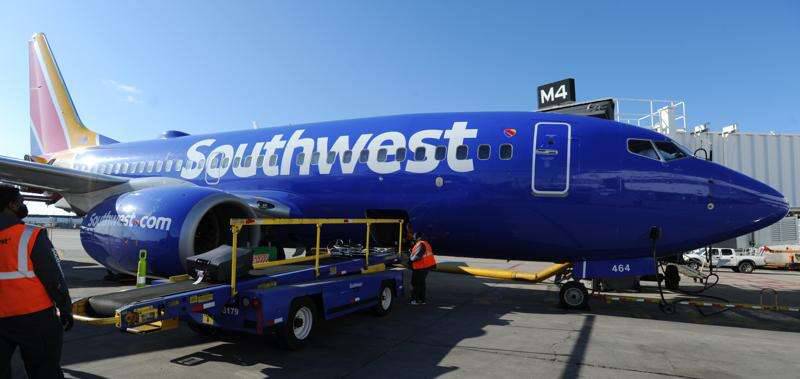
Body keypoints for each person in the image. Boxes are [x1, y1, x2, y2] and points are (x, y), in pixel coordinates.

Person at [0, 185, 73, 379]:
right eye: (21, 200)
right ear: (11, 205)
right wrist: (65, 308)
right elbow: (54, 278)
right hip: (35, 318)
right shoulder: (30, 235)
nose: (24, 204)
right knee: (44, 371)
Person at [409, 233, 436, 305]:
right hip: (425, 267)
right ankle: (422, 300)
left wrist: (410, 258)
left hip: (420, 267)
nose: (414, 239)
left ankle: (415, 300)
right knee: (421, 284)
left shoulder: (420, 244)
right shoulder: (425, 243)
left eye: (415, 238)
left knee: (415, 284)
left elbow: (417, 256)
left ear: (418, 238)